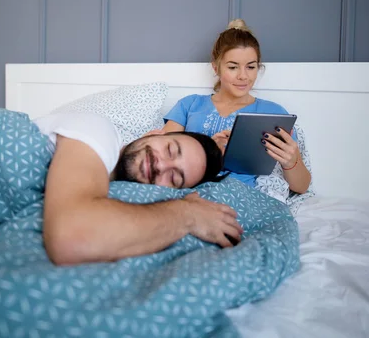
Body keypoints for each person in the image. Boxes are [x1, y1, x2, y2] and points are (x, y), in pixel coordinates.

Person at [32, 111, 243, 265]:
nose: (161, 165)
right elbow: (72, 237)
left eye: (174, 178)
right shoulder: (99, 131)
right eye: (170, 149)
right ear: (153, 133)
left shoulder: (116, 189)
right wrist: (188, 214)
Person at [159, 19, 311, 195]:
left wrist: (290, 161)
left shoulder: (274, 113)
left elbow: (302, 187)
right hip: (190, 193)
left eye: (251, 67)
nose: (243, 76)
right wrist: (209, 150)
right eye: (233, 67)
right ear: (216, 68)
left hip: (242, 198)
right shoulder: (189, 105)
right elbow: (162, 157)